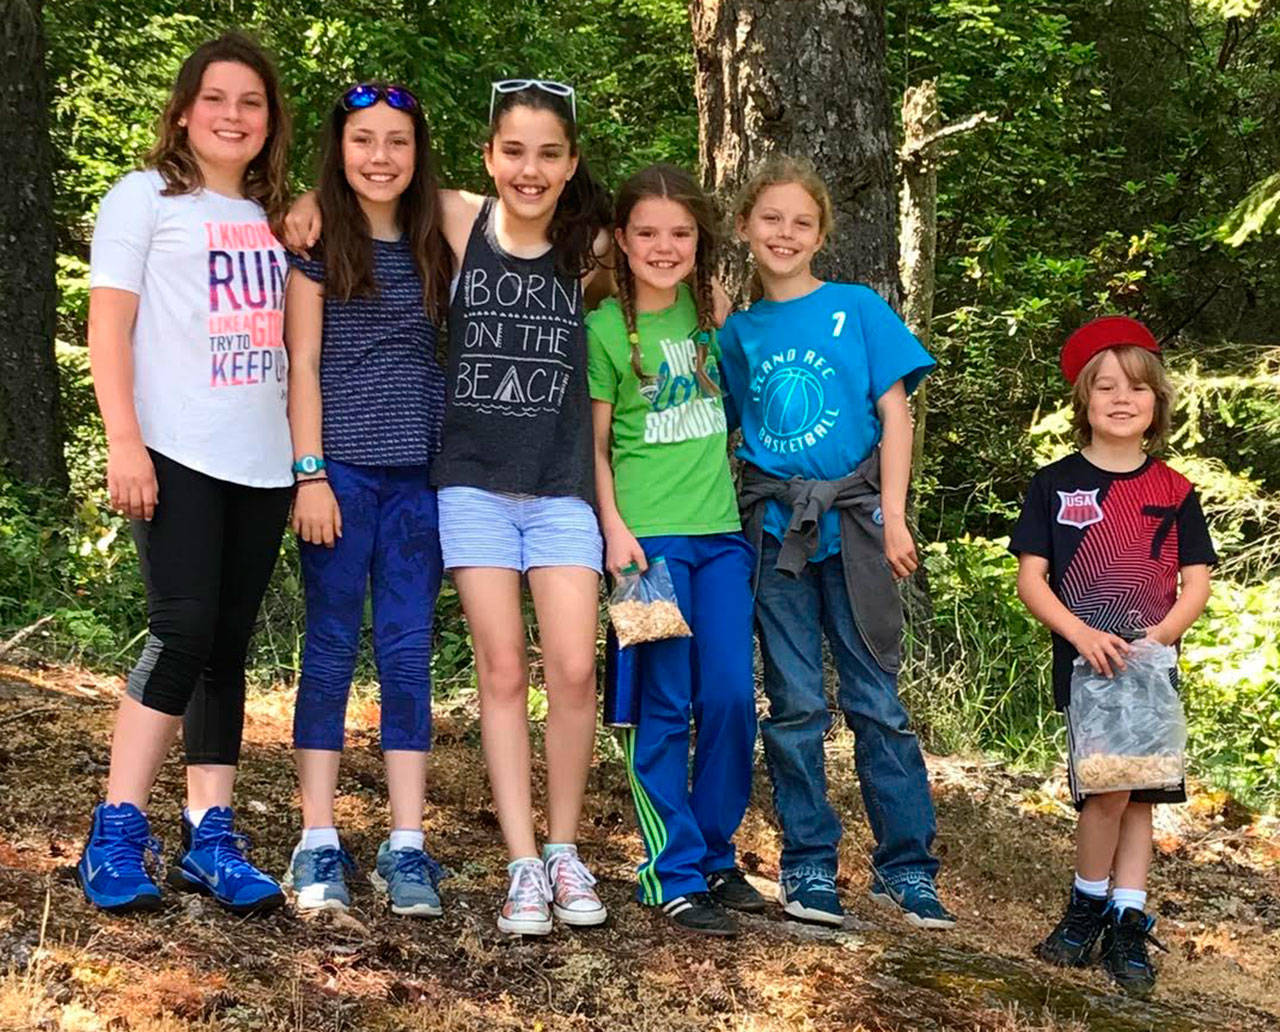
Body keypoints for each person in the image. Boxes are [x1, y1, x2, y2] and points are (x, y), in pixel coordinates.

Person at [285, 79, 613, 935]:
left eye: (549, 153)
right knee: (407, 656)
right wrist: (304, 200)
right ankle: (474, 859)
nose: (530, 169)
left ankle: (511, 848)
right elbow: (374, 182)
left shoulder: (556, 245)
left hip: (508, 484)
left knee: (537, 666)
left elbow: (667, 265)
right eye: (513, 151)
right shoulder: (427, 228)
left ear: (572, 163)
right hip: (422, 478)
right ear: (488, 156)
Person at [78, 32, 293, 914]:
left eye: (251, 102)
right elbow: (107, 327)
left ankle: (211, 834)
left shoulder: (282, 218)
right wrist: (122, 441)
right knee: (183, 626)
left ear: (270, 121)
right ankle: (117, 828)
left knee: (226, 648)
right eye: (216, 98)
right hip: (173, 450)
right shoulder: (144, 200)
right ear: (183, 110)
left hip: (264, 460)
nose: (232, 116)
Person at [716, 154, 955, 930]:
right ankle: (810, 864)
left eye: (802, 222)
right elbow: (708, 415)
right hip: (774, 533)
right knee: (793, 703)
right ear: (746, 226)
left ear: (821, 233)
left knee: (877, 701)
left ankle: (907, 869)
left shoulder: (856, 307)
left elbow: (895, 413)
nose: (785, 233)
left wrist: (894, 514)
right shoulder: (739, 331)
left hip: (854, 525)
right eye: (771, 219)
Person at [281, 82, 451, 917]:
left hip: (421, 481)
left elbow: (518, 200)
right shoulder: (318, 242)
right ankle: (317, 841)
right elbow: (301, 363)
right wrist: (309, 473)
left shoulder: (438, 239)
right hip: (340, 477)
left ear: (419, 154)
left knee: (409, 652)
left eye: (397, 141)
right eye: (361, 140)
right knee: (332, 649)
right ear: (337, 146)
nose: (379, 157)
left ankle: (406, 845)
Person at [1011, 315, 1214, 996]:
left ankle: (1127, 919)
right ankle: (1086, 905)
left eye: (1136, 388)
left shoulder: (1175, 489)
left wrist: (1154, 641)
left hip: (1150, 669)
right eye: (1105, 387)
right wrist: (1082, 635)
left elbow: (1197, 583)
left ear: (1156, 402)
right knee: (1106, 791)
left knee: (1142, 794)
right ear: (1084, 401)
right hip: (1088, 663)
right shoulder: (1054, 482)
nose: (1121, 399)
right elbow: (1031, 579)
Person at [587, 164, 762, 937]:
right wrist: (614, 531)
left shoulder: (715, 319)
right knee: (661, 704)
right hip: (646, 546)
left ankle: (717, 857)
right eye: (648, 233)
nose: (664, 246)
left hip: (720, 539)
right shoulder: (600, 329)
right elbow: (591, 449)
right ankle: (670, 871)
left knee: (727, 699)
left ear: (702, 242)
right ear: (622, 240)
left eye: (681, 233)